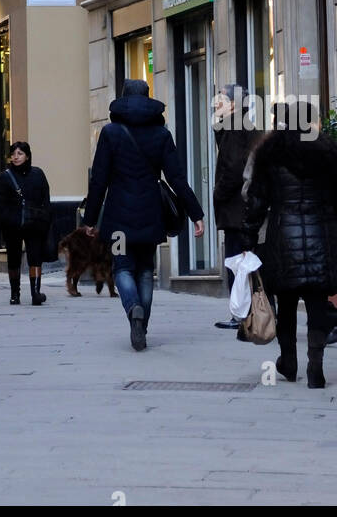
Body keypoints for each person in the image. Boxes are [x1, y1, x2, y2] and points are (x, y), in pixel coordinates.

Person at [82, 78, 204, 351]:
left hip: (118, 219)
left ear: (123, 101)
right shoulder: (161, 135)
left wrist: (89, 219)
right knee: (146, 270)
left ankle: (133, 308)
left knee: (122, 267)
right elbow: (177, 178)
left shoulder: (110, 133)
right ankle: (143, 324)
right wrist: (196, 213)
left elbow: (99, 181)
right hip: (150, 213)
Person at [243, 100, 337, 388]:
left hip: (283, 238)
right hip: (322, 236)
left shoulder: (270, 152)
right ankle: (315, 366)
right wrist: (333, 221)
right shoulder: (329, 153)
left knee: (287, 302)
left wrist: (249, 236)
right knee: (318, 302)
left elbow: (257, 200)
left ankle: (288, 361)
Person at [212, 84, 262, 329]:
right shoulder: (240, 126)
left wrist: (218, 193)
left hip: (236, 207)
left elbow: (233, 169)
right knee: (243, 260)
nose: (215, 103)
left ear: (233, 104)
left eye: (220, 98)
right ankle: (248, 312)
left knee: (237, 261)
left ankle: (241, 315)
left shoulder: (236, 127)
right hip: (241, 207)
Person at [0, 142, 51, 305]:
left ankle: (35, 292)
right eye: (13, 154)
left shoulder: (37, 174)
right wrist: (6, 220)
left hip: (34, 223)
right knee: (13, 258)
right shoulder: (4, 177)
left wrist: (45, 219)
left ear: (27, 155)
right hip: (12, 225)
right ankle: (15, 293)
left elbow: (45, 198)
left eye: (20, 153)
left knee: (35, 257)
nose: (16, 157)